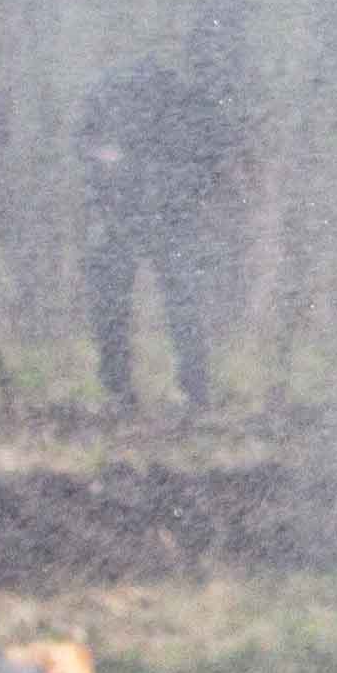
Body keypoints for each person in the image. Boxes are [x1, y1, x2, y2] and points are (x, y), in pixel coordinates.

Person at [76, 55, 224, 414]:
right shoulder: (177, 94)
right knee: (148, 302)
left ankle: (163, 390)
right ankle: (130, 390)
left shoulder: (118, 90)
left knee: (175, 302)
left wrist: (182, 188)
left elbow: (210, 153)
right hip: (133, 213)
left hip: (156, 213)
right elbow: (85, 144)